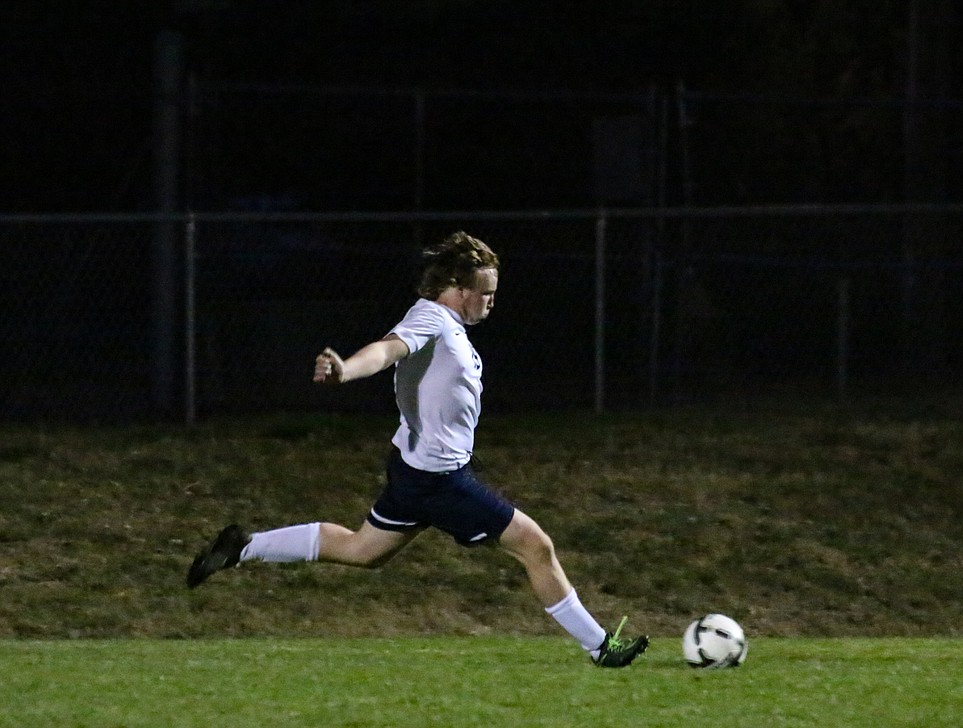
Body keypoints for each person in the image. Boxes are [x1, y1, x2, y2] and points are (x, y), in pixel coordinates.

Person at [187, 231, 649, 668]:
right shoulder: (431, 317)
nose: (491, 302)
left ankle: (243, 547)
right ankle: (600, 646)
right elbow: (386, 350)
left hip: (414, 470)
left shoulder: (447, 325)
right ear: (456, 286)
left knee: (363, 550)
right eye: (484, 293)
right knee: (536, 546)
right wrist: (346, 370)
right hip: (438, 480)